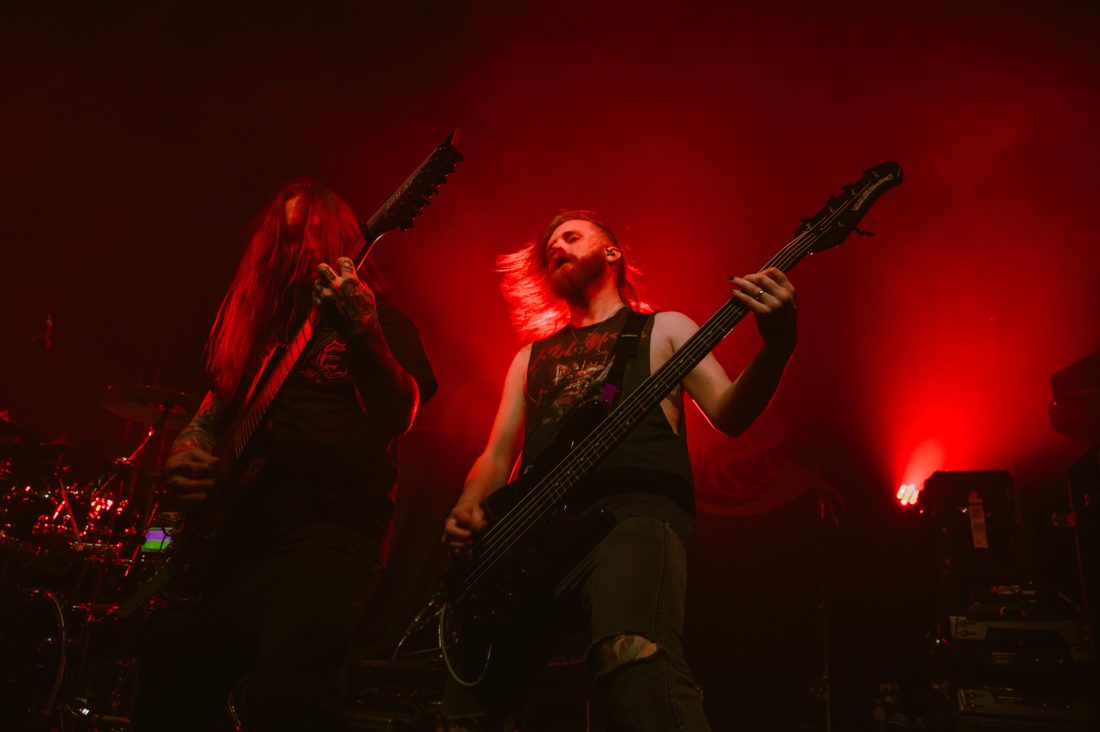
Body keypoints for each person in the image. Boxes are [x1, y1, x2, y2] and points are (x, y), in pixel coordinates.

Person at [442, 211, 797, 730]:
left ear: (612, 254)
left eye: (572, 237)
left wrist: (779, 346)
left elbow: (730, 414)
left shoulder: (665, 329)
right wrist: (468, 504)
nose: (556, 247)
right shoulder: (530, 357)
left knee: (631, 658)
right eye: (550, 246)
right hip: (534, 539)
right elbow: (498, 454)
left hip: (632, 514)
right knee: (477, 701)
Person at [133, 180, 436, 731]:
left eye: (308, 233)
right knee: (169, 682)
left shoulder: (382, 321)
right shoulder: (258, 335)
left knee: (288, 698)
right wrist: (188, 451)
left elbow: (400, 414)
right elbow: (206, 420)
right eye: (284, 235)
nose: (294, 246)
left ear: (343, 241)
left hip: (331, 536)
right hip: (241, 540)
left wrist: (364, 332)